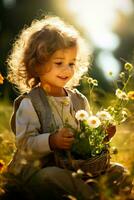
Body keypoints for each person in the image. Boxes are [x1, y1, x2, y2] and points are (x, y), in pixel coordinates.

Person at [6, 15, 132, 200]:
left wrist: (100, 137)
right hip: (39, 171)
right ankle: (91, 196)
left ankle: (96, 190)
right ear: (38, 64)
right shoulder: (31, 103)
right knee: (52, 176)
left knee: (119, 171)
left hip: (76, 168)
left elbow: (84, 140)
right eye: (59, 63)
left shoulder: (79, 101)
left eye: (71, 63)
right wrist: (51, 141)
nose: (67, 69)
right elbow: (24, 145)